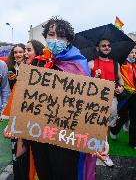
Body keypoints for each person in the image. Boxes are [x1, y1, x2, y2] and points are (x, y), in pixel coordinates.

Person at [29, 16, 109, 180]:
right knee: (44, 174)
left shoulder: (78, 65)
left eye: (61, 36)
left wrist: (101, 137)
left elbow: (91, 104)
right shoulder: (38, 63)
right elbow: (27, 99)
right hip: (39, 136)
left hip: (66, 138)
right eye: (51, 34)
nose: (56, 39)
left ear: (68, 40)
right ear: (45, 36)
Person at [4, 40, 44, 180]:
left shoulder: (44, 73)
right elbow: (16, 98)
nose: (24, 54)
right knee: (21, 164)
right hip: (22, 129)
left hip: (38, 131)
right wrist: (11, 124)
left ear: (38, 53)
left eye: (27, 50)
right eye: (21, 51)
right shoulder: (17, 70)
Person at [88, 38, 124, 167]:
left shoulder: (116, 64)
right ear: (98, 48)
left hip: (111, 99)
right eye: (103, 46)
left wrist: (121, 87)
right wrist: (94, 77)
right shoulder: (91, 63)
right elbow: (84, 85)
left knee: (106, 127)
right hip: (95, 99)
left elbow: (120, 80)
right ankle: (93, 154)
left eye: (109, 45)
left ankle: (103, 154)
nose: (107, 48)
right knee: (95, 127)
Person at [110, 47, 136, 149]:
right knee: (123, 116)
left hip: (135, 95)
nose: (134, 54)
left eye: (135, 53)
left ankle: (133, 142)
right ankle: (114, 130)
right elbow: (117, 78)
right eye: (132, 52)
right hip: (125, 94)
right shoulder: (121, 64)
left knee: (134, 118)